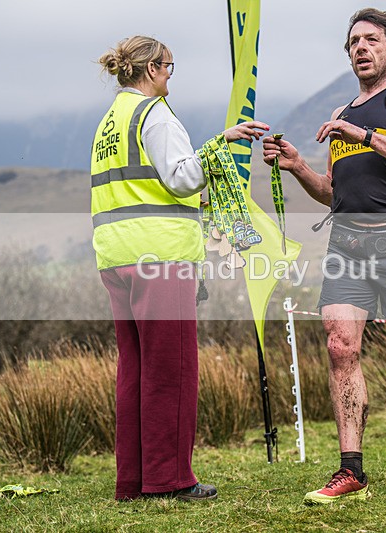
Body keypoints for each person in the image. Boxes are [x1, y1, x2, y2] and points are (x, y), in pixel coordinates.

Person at [262, 9, 386, 504]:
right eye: (353, 42)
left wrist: (368, 137)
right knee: (339, 347)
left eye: (372, 40)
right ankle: (351, 471)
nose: (360, 48)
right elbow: (334, 193)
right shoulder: (343, 113)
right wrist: (298, 167)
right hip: (346, 247)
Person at [93, 35, 269, 502]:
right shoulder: (155, 115)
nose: (171, 74)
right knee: (171, 369)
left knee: (134, 370)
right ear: (150, 68)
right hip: (160, 257)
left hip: (116, 256)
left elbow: (143, 186)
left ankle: (132, 481)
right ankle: (169, 479)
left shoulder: (110, 121)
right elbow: (181, 177)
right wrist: (219, 146)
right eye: (169, 65)